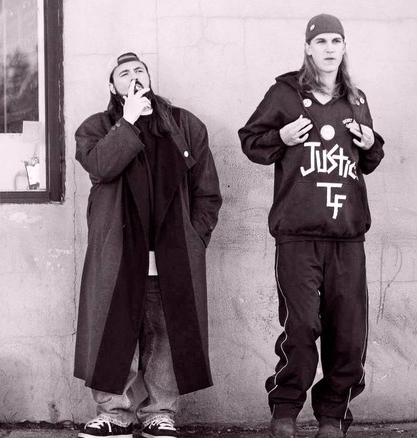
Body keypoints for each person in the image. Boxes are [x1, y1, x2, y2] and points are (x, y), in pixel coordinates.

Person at [238, 14, 385, 438]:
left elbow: (370, 159)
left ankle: (332, 416)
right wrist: (281, 138)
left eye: (336, 40)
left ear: (344, 46)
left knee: (349, 332)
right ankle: (285, 410)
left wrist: (371, 142)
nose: (328, 48)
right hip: (298, 236)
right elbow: (251, 141)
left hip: (347, 237)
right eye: (320, 40)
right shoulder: (285, 93)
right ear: (307, 47)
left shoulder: (356, 99)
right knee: (301, 326)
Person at [73, 52, 222, 438]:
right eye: (124, 73)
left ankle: (160, 412)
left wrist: (196, 237)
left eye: (140, 70)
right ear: (113, 87)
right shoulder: (97, 127)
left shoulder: (185, 124)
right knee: (113, 332)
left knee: (167, 332)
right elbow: (101, 167)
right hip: (119, 252)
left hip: (173, 253)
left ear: (150, 79)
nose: (134, 76)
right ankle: (115, 414)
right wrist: (129, 122)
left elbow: (207, 191)